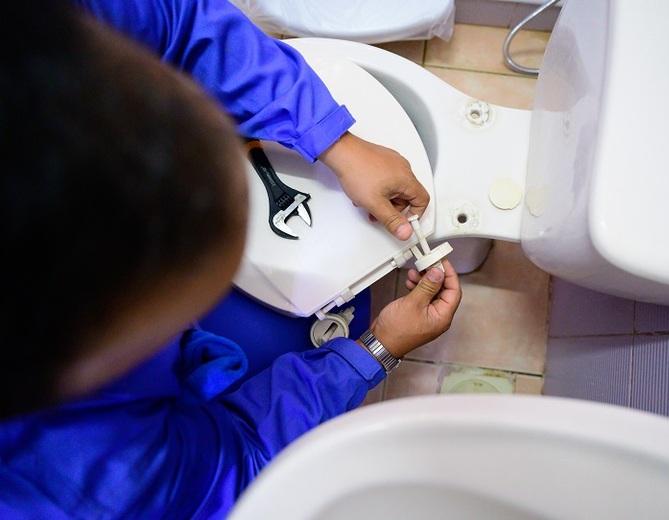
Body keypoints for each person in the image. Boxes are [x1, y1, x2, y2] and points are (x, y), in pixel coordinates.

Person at [0, 1, 462, 518]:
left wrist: (331, 136)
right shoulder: (94, 484)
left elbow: (179, 18)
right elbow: (240, 460)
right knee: (274, 337)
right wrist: (373, 352)